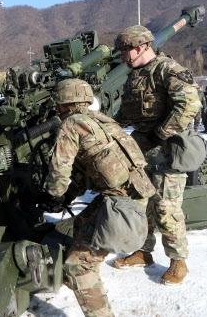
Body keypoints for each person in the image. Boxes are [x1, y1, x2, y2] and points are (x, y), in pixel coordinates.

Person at [43, 79, 154, 317]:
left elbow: (60, 168)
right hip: (133, 193)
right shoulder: (101, 120)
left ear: (64, 103)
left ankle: (89, 295)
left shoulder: (72, 124)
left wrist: (54, 195)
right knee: (81, 223)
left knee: (79, 266)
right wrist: (70, 194)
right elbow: (93, 168)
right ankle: (74, 282)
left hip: (120, 205)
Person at [111, 25, 201, 285]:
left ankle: (178, 261)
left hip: (167, 150)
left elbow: (189, 105)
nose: (122, 58)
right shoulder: (136, 75)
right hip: (142, 151)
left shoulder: (167, 69)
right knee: (140, 204)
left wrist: (161, 133)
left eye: (125, 52)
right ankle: (143, 251)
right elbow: (129, 111)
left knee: (166, 208)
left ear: (140, 47)